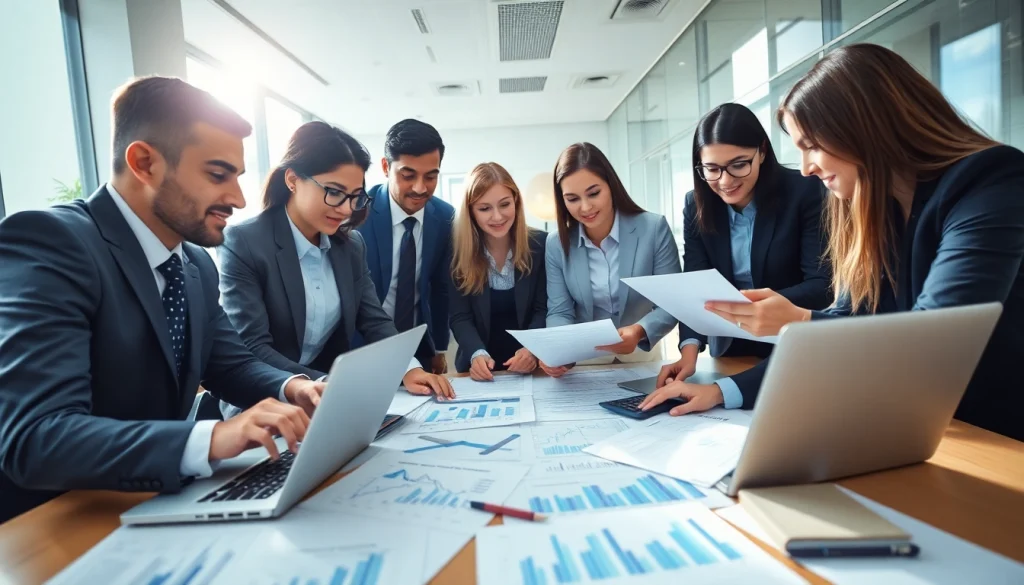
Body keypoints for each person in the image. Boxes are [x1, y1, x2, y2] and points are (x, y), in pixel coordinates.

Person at [641, 44, 1024, 441]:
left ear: (863, 127)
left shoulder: (988, 181)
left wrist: (800, 319)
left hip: (996, 429)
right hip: (924, 424)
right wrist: (722, 391)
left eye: (811, 146)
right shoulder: (877, 210)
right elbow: (849, 320)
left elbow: (931, 339)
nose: (806, 168)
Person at [0, 77, 325, 522]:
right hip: (57, 520)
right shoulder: (52, 243)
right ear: (144, 162)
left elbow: (230, 365)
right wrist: (212, 439)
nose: (238, 197)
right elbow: (36, 438)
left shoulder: (194, 263)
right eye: (217, 175)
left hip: (155, 504)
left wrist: (296, 387)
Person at [217, 121, 454, 401]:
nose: (345, 209)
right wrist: (327, 383)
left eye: (354, 196)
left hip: (331, 397)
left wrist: (408, 368)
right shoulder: (244, 242)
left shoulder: (350, 245)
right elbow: (253, 346)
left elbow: (374, 320)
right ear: (292, 179)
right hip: (266, 400)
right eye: (334, 192)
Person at [653, 103, 830, 411]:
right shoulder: (696, 205)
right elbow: (695, 282)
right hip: (731, 348)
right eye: (712, 169)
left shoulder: (805, 191)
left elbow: (821, 283)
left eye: (738, 164)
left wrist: (746, 308)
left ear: (761, 151)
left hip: (792, 341)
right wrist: (689, 351)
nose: (724, 180)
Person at [542, 142, 682, 377]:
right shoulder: (556, 244)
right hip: (584, 362)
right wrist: (559, 351)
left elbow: (672, 302)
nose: (585, 207)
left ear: (611, 185)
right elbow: (559, 311)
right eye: (572, 198)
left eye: (594, 193)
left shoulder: (653, 228)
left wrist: (639, 330)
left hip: (641, 357)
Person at [356, 120, 454, 373]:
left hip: (417, 349)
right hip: (360, 348)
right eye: (408, 176)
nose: (420, 188)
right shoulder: (356, 215)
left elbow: (441, 289)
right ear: (386, 167)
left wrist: (439, 348)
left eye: (431, 177)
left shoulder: (445, 218)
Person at [449, 162, 547, 380]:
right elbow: (459, 317)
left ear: (516, 202)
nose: (497, 217)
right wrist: (477, 354)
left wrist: (532, 349)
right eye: (484, 208)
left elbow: (543, 309)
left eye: (504, 204)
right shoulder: (456, 253)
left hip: (534, 367)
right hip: (478, 372)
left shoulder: (540, 245)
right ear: (471, 212)